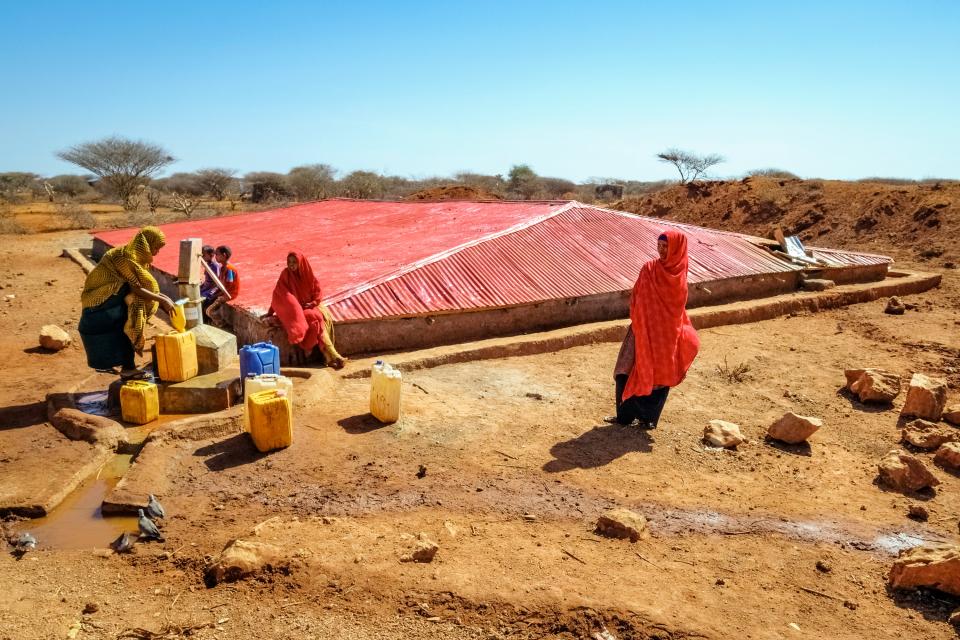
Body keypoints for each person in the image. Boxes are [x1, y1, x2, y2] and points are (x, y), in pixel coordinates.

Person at [608, 229, 700, 428]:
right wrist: (643, 319)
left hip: (665, 336)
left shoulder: (679, 279)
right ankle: (624, 416)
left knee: (659, 376)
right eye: (659, 246)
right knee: (625, 368)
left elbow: (675, 310)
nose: (661, 250)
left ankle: (648, 419)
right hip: (640, 330)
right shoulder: (649, 269)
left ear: (677, 249)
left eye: (666, 246)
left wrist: (657, 324)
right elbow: (636, 297)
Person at [78, 226, 175, 380]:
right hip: (100, 300)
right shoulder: (126, 257)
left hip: (111, 297)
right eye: (156, 248)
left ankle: (127, 366)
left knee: (130, 321)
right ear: (147, 244)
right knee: (131, 320)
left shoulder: (136, 257)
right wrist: (162, 299)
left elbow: (140, 286)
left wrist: (163, 298)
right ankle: (128, 368)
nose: (156, 253)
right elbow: (136, 288)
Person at [262, 251, 346, 369]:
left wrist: (313, 303)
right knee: (316, 319)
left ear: (301, 263)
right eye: (289, 262)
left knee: (316, 320)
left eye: (294, 262)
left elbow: (318, 292)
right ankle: (332, 354)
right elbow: (279, 294)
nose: (291, 265)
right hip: (296, 311)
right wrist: (270, 312)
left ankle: (330, 356)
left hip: (310, 307)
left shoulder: (308, 275)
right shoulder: (286, 275)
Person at [206, 245, 239, 327]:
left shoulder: (229, 269)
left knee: (209, 311)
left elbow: (229, 285)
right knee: (209, 298)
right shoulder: (222, 268)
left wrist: (218, 294)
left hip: (230, 293)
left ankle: (221, 324)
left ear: (224, 255)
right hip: (223, 291)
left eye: (217, 254)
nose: (215, 256)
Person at [199, 244, 222, 313]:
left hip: (212, 288)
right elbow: (207, 280)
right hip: (206, 287)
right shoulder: (208, 265)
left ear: (211, 255)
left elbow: (217, 281)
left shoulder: (215, 266)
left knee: (204, 299)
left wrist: (211, 292)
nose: (202, 257)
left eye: (203, 255)